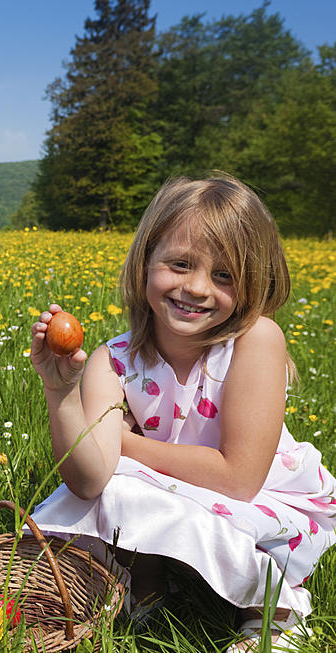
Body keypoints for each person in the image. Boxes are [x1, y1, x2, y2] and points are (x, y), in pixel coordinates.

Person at [28, 174, 336, 651]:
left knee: (134, 477)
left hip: (256, 501)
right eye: (180, 264)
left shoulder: (255, 341)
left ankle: (271, 614)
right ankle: (148, 585)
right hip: (178, 484)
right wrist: (61, 390)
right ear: (145, 260)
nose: (196, 288)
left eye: (224, 276)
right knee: (111, 490)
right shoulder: (113, 360)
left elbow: (238, 479)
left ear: (252, 284)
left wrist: (124, 445)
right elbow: (88, 480)